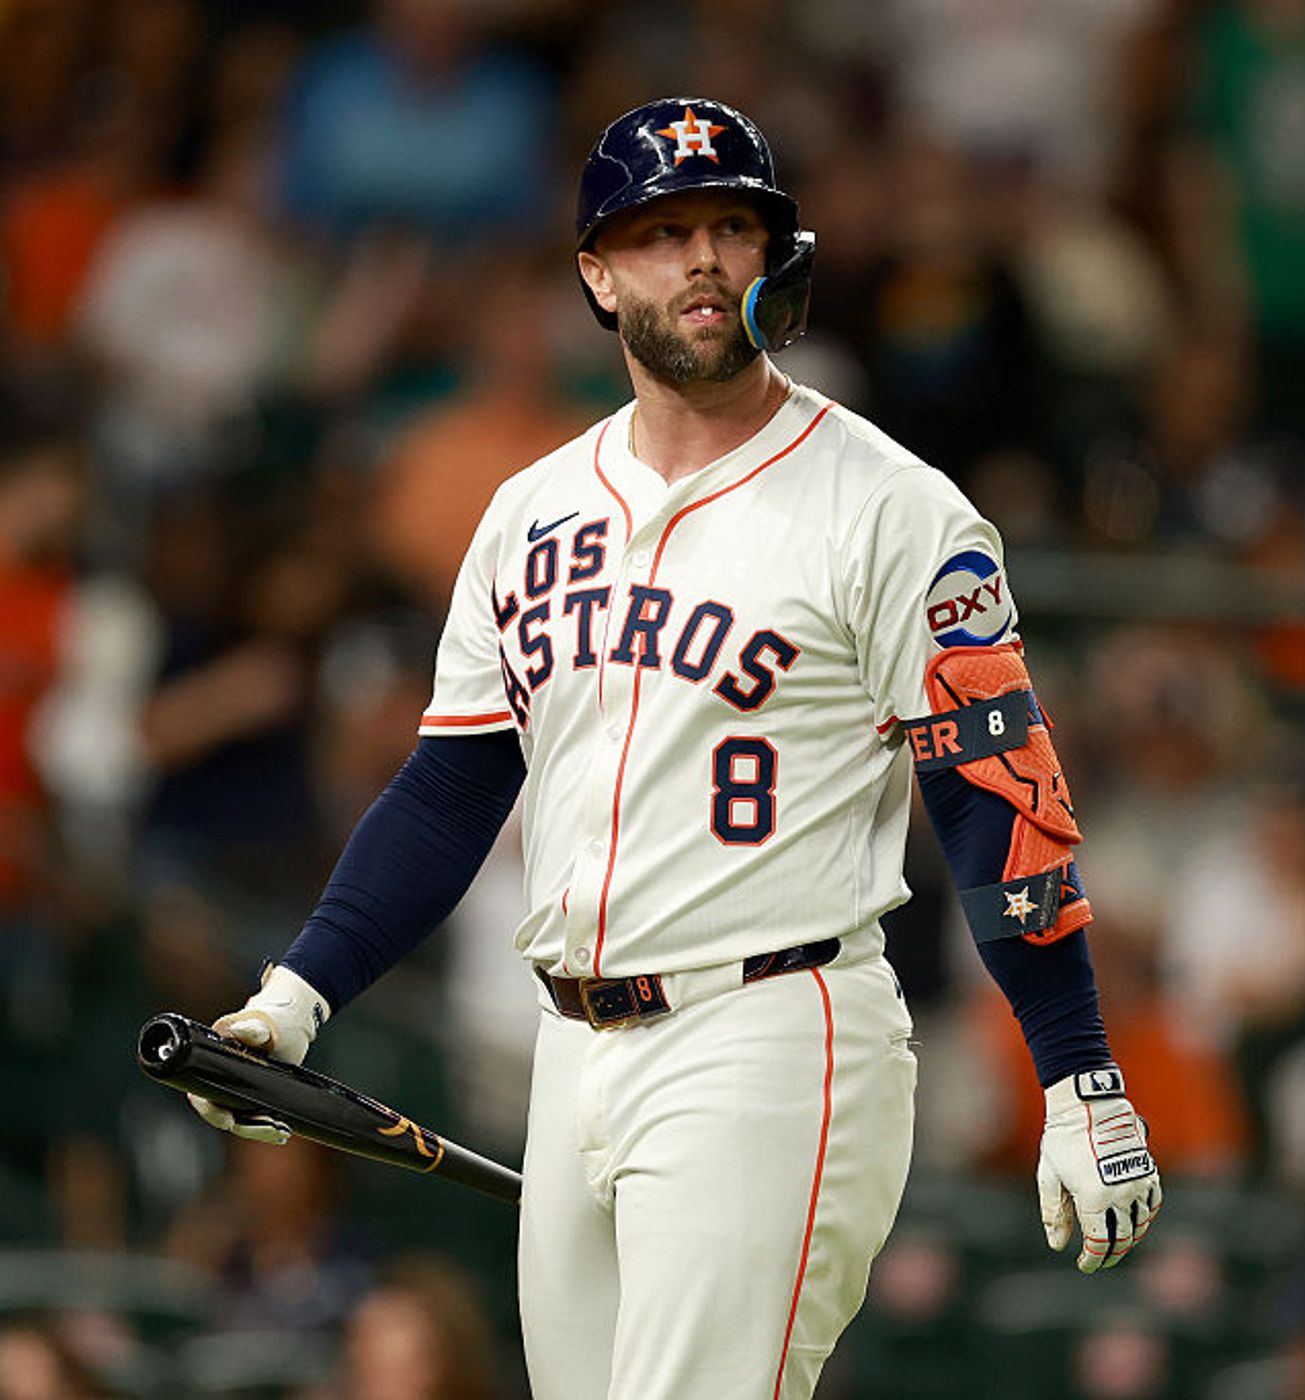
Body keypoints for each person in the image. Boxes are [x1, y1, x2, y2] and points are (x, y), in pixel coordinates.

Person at [190, 98, 1161, 1400]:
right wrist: (294, 999)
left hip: (770, 1029)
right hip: (570, 1045)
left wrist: (1079, 1070)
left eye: (731, 226)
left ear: (777, 258)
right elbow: (453, 786)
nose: (701, 257)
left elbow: (995, 794)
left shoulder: (897, 510)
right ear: (596, 274)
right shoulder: (527, 512)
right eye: (660, 232)